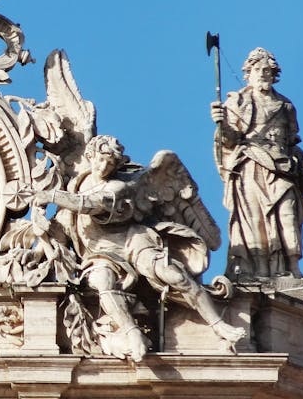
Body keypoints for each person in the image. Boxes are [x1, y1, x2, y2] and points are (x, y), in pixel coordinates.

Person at [36, 135, 244, 361]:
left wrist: (48, 195)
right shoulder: (76, 183)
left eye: (111, 162)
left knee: (171, 274)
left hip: (132, 241)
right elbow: (61, 227)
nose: (104, 166)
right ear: (89, 156)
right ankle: (132, 333)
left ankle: (219, 324)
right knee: (102, 281)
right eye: (101, 160)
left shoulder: (118, 187)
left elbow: (89, 204)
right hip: (99, 253)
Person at [211, 47, 303, 279]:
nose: (263, 74)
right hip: (251, 165)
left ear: (274, 74)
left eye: (268, 71)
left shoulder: (286, 106)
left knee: (288, 215)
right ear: (248, 73)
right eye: (258, 70)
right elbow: (229, 141)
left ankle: (293, 267)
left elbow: (291, 142)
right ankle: (260, 269)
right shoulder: (237, 102)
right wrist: (221, 124)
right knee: (255, 219)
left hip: (283, 168)